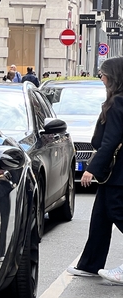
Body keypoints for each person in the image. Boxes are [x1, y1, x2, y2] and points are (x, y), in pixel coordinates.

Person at [67, 57, 123, 284]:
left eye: (102, 74)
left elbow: (110, 141)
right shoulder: (117, 101)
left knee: (117, 212)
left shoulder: (118, 103)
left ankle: (92, 264)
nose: (101, 78)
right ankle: (90, 265)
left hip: (118, 172)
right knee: (100, 217)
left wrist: (91, 169)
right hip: (115, 172)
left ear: (112, 77)